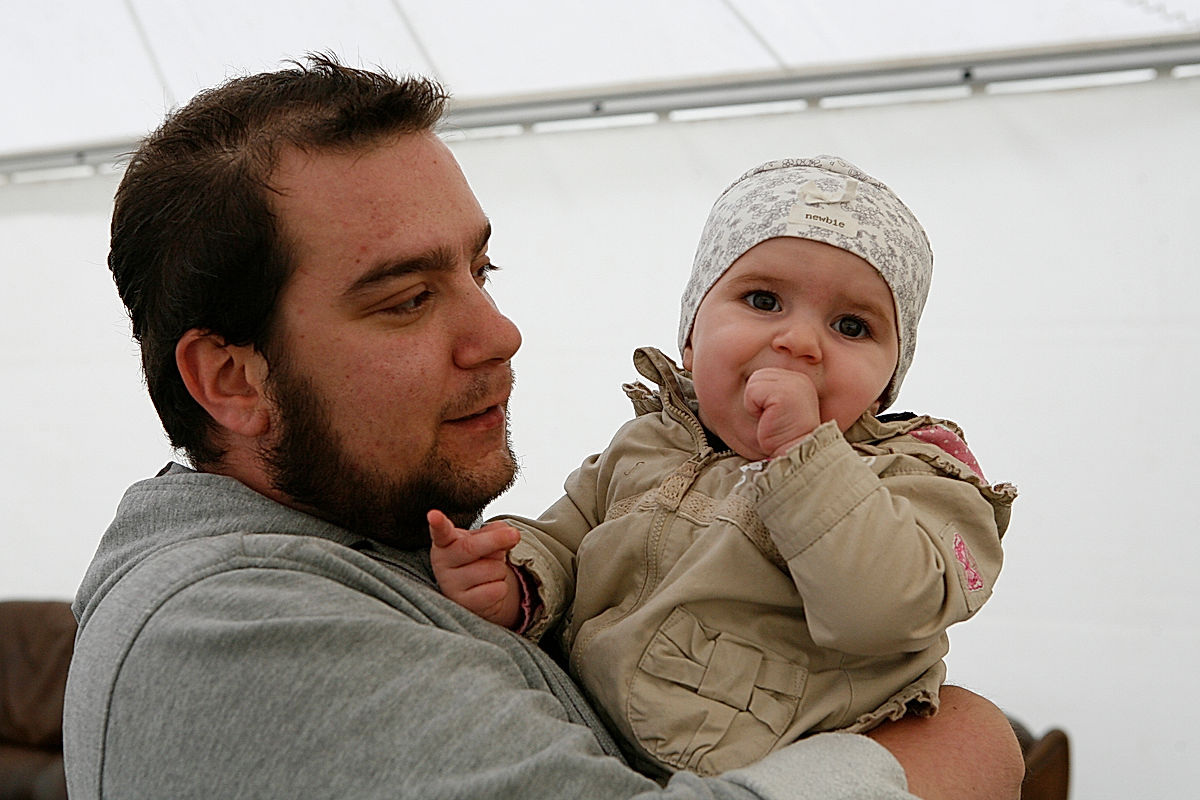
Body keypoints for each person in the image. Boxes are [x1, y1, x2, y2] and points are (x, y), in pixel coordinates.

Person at [62, 55, 1023, 799]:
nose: (500, 333)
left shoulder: (373, 542)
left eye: (482, 272)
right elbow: (569, 543)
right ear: (232, 379)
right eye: (406, 299)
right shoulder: (231, 635)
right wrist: (962, 749)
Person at [430, 157, 1018, 777]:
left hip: (776, 772)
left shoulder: (915, 478)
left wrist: (804, 459)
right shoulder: (648, 444)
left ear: (885, 383)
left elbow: (886, 611)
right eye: (764, 300)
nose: (800, 342)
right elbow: (564, 541)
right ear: (691, 338)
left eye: (851, 326)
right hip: (588, 744)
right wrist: (515, 578)